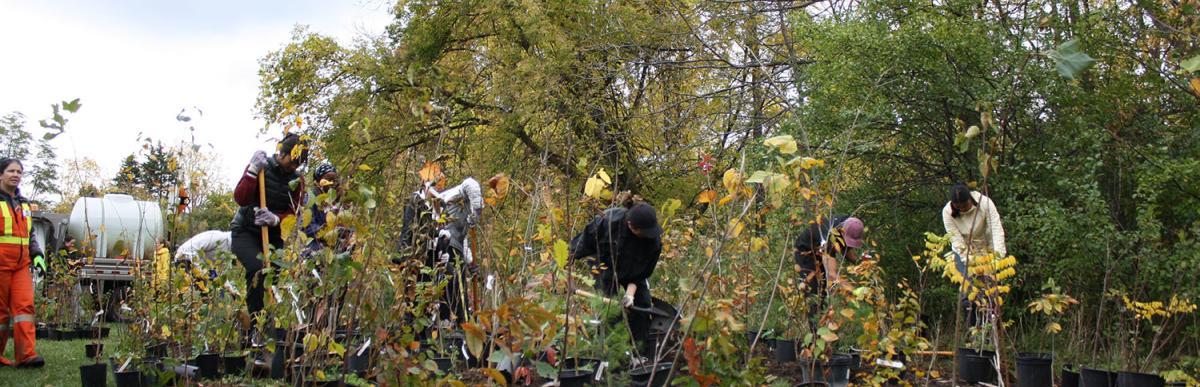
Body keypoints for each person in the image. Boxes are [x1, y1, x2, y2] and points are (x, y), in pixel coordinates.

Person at [569, 199, 664, 360]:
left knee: (642, 306)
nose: (648, 235)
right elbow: (577, 248)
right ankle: (614, 356)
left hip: (633, 272)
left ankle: (639, 355)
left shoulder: (653, 242)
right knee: (611, 311)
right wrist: (564, 274)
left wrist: (630, 295)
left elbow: (641, 275)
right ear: (631, 225)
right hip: (603, 266)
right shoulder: (606, 222)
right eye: (643, 232)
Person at [230, 133, 308, 325]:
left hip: (272, 236)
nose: (294, 166)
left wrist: (275, 219)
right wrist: (252, 171)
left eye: (298, 163)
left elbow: (295, 212)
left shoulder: (297, 181)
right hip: (246, 231)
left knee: (271, 279)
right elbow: (241, 198)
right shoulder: (261, 168)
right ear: (281, 153)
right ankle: (255, 326)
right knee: (257, 270)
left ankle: (266, 325)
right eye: (292, 161)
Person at [0, 158, 45, 368]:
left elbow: (30, 234)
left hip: (20, 266)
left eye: (19, 172)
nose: (16, 175)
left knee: (25, 308)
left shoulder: (24, 204)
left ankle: (26, 355)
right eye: (11, 171)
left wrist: (37, 255)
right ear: (1, 174)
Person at [941, 183, 1006, 326]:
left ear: (970, 199)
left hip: (986, 247)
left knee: (990, 291)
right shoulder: (947, 212)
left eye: (965, 205)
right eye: (958, 207)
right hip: (964, 251)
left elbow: (996, 229)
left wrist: (998, 257)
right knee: (969, 291)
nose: (962, 209)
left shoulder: (984, 203)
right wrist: (970, 262)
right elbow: (956, 241)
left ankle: (991, 329)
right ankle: (973, 331)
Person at [793, 215, 866, 298]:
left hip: (820, 247)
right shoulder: (828, 240)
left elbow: (846, 248)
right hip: (806, 252)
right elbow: (831, 274)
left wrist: (861, 264)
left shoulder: (852, 223)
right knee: (817, 288)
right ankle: (808, 297)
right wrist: (854, 290)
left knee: (823, 284)